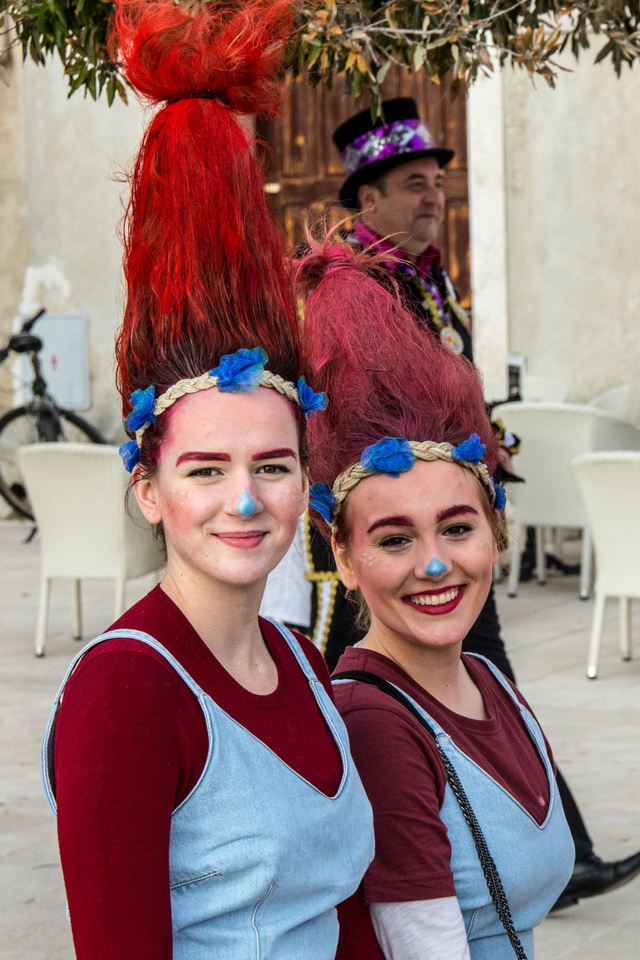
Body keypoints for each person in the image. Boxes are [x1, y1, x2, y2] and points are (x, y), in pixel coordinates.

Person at [40, 3, 373, 958]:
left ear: (308, 474)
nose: (244, 500)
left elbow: (347, 915)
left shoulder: (306, 665)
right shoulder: (126, 697)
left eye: (273, 465)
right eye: (204, 468)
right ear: (148, 488)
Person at [309, 96, 640, 910]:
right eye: (415, 183)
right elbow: (350, 421)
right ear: (367, 198)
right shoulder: (353, 291)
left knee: (482, 683)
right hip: (391, 539)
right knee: (373, 695)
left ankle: (556, 848)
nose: (433, 197)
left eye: (438, 184)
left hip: (447, 525)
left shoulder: (425, 279)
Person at [297, 241, 575, 958]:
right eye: (392, 539)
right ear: (344, 557)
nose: (433, 564)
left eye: (457, 527)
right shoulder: (375, 724)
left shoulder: (489, 684)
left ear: (496, 533)